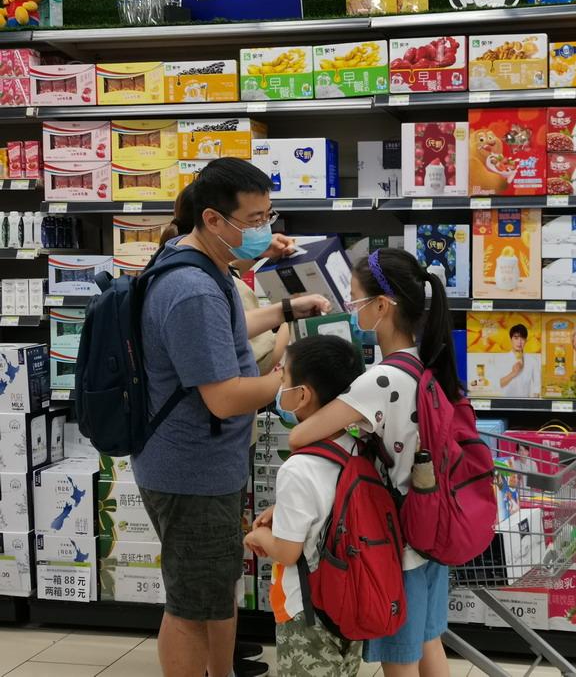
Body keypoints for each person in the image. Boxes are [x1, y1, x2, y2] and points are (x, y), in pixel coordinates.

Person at [135, 158, 331, 677]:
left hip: (203, 464)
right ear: (213, 219)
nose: (265, 229)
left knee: (213, 591)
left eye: (269, 215)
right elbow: (223, 398)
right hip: (190, 471)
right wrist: (289, 383)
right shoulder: (193, 288)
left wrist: (286, 310)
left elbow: (223, 330)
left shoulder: (199, 261)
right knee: (191, 607)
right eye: (254, 219)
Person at [285, 248, 459, 677]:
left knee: (399, 659)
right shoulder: (424, 361)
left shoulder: (380, 379)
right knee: (429, 642)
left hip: (397, 542)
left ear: (382, 306)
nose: (351, 308)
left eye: (355, 299)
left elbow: (299, 434)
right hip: (431, 525)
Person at [244, 335, 366, 677]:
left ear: (302, 395)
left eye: (283, 377)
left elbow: (287, 552)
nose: (279, 384)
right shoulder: (355, 447)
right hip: (349, 597)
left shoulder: (297, 468)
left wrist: (258, 538)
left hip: (306, 610)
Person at [499, 323, 540, 398]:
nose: (519, 342)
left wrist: (535, 401)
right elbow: (498, 384)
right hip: (505, 401)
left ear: (526, 341)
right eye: (516, 338)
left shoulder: (532, 361)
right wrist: (513, 373)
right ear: (511, 339)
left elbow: (537, 386)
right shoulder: (502, 359)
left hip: (525, 402)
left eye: (522, 338)